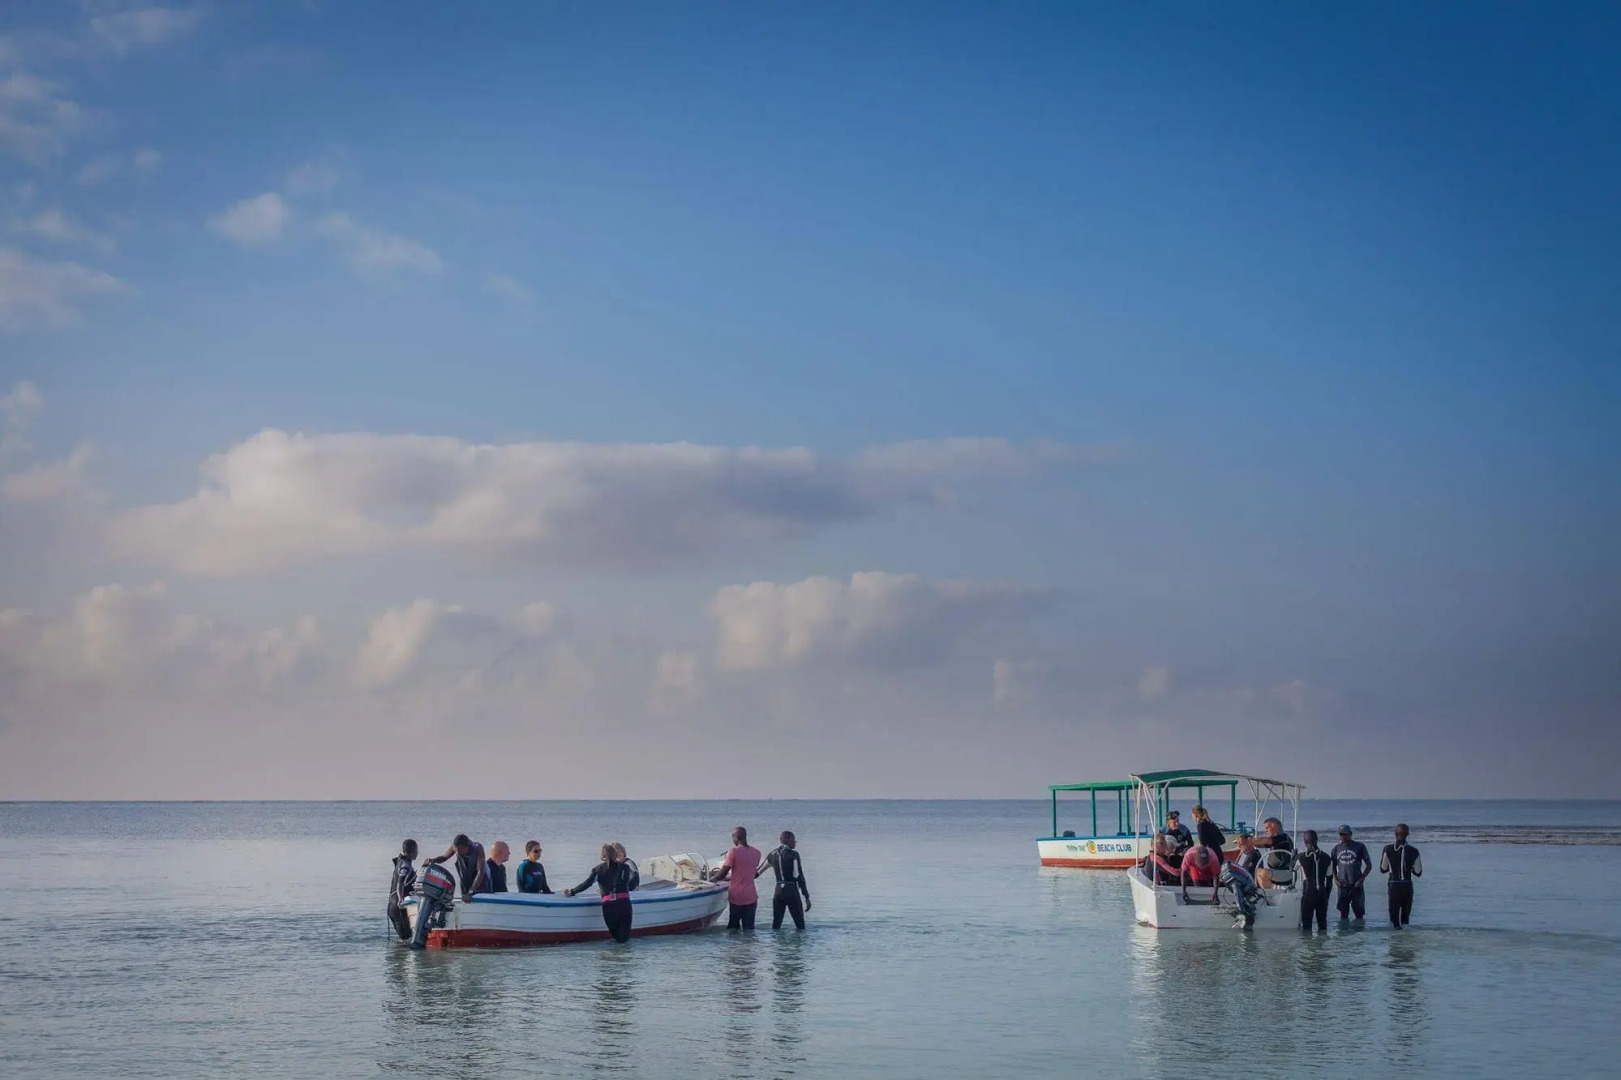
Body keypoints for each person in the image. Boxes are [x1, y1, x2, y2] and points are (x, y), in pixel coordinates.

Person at [564, 843, 636, 943]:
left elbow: (587, 884)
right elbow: (632, 882)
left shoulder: (597, 870)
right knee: (623, 939)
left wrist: (572, 892)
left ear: (602, 856)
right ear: (615, 854)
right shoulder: (625, 868)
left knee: (617, 939)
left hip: (609, 907)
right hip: (624, 905)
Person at [756, 830, 812, 930]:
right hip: (791, 891)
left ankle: (776, 945)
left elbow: (757, 873)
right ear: (787, 840)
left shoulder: (772, 854)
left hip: (778, 892)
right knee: (800, 925)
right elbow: (799, 876)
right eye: (793, 840)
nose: (795, 842)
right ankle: (799, 945)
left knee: (776, 924)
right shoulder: (793, 854)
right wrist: (806, 897)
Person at [712, 826, 763, 930]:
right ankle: (748, 946)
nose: (733, 840)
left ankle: (735, 946)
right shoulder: (757, 853)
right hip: (751, 896)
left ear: (737, 837)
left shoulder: (733, 851)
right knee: (749, 929)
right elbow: (749, 872)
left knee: (733, 928)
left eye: (733, 838)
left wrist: (712, 880)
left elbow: (724, 871)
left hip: (737, 897)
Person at [1380, 823, 1423, 928]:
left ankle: (1394, 942)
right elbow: (1418, 872)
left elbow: (1383, 869)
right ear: (1407, 835)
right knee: (1405, 919)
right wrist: (1409, 868)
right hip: (1407, 885)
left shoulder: (1388, 849)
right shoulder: (1414, 851)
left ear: (1395, 834)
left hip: (1394, 885)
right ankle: (1405, 943)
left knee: (1394, 919)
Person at [426, 834, 488, 902]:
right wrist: (432, 860)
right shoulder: (455, 847)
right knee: (465, 898)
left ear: (467, 846)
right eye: (456, 850)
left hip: (479, 882)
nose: (457, 853)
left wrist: (471, 891)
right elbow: (444, 857)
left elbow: (480, 872)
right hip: (465, 881)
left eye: (460, 850)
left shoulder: (477, 848)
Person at [1331, 825, 1373, 922]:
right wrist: (1335, 880)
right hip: (1342, 886)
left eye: (1345, 834)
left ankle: (1358, 935)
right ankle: (1344, 935)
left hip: (1356, 885)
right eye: (1341, 835)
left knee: (1359, 915)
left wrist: (1361, 879)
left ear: (1350, 834)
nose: (1343, 837)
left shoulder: (1360, 846)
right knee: (1343, 915)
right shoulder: (1336, 849)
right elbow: (1332, 866)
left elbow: (1369, 865)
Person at [1295, 830, 1334, 932]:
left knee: (1307, 923)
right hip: (1322, 894)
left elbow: (1292, 869)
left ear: (1304, 841)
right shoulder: (1326, 857)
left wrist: (1292, 856)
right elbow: (1329, 880)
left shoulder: (1301, 857)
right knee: (1322, 923)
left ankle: (1309, 946)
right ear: (1317, 840)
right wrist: (1327, 897)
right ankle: (1321, 946)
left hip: (1308, 893)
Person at [1219, 857, 1265, 929]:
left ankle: (1245, 914)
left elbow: (1237, 892)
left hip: (1234, 878)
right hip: (1238, 880)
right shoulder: (1238, 881)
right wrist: (1242, 912)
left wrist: (1241, 911)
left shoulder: (1233, 878)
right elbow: (1237, 892)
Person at [386, 839, 418, 941]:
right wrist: (400, 900)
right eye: (416, 851)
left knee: (404, 939)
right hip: (398, 907)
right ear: (413, 851)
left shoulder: (401, 861)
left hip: (392, 906)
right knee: (407, 940)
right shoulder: (405, 865)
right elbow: (400, 883)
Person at [1180, 836, 1222, 905]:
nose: (1202, 867)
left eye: (1204, 864)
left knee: (1211, 891)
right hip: (1196, 874)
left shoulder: (1213, 857)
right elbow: (1184, 873)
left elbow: (1216, 875)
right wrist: (1183, 890)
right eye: (1201, 864)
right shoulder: (1189, 855)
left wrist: (1215, 892)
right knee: (1199, 891)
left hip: (1210, 873)